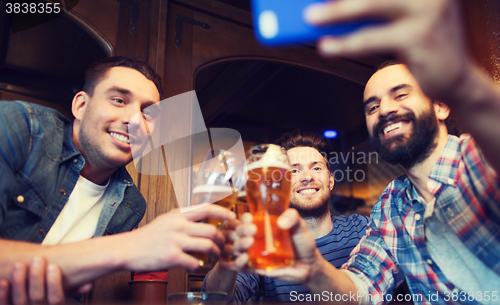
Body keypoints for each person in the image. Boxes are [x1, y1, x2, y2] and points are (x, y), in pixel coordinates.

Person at [231, 0, 500, 304]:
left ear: (440, 104)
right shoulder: (391, 207)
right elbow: (361, 289)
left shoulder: (480, 158)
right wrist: (313, 268)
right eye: (372, 106)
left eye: (401, 94)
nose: (384, 109)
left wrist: (461, 80)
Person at [0, 57, 234, 304]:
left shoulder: (130, 205)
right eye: (119, 100)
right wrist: (131, 246)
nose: (134, 120)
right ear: (80, 105)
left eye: (147, 113)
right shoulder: (19, 125)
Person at [202, 130, 370, 303]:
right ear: (280, 184)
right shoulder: (264, 240)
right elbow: (216, 301)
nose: (307, 177)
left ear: (331, 180)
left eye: (317, 168)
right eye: (294, 171)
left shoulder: (364, 229)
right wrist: (226, 263)